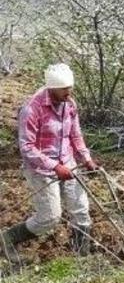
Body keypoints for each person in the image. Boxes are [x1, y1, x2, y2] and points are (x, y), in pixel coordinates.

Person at [1, 63, 99, 265]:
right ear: (52, 88)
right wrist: (54, 166)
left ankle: (82, 259)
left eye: (70, 88)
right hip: (41, 170)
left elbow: (75, 135)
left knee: (81, 211)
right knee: (50, 218)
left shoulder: (69, 104)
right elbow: (26, 147)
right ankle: (7, 238)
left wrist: (86, 159)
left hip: (68, 163)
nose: (69, 93)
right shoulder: (32, 109)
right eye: (64, 89)